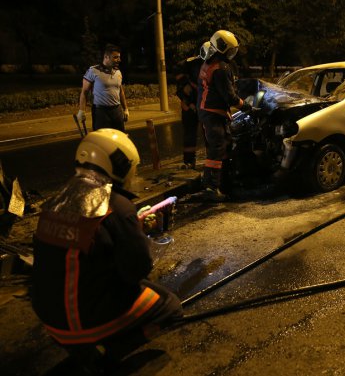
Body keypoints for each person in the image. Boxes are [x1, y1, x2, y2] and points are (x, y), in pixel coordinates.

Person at [31, 128, 183, 371]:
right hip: (79, 322)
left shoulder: (56, 200)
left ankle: (88, 345)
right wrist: (139, 235)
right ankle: (107, 353)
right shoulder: (116, 206)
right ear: (120, 166)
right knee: (171, 307)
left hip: (49, 320)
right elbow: (136, 270)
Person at [197, 30, 250, 201]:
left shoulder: (209, 62)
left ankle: (223, 182)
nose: (232, 54)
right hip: (213, 113)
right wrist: (247, 106)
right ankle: (211, 188)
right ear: (222, 48)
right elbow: (229, 96)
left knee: (224, 146)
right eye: (230, 50)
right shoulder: (221, 68)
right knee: (217, 150)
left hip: (209, 111)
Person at [77, 44, 129, 132]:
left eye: (119, 57)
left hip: (117, 110)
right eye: (116, 57)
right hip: (101, 112)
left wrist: (125, 109)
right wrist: (82, 110)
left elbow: (121, 91)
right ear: (106, 57)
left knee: (120, 137)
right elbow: (84, 92)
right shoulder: (93, 71)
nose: (119, 60)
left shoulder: (118, 72)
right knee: (103, 139)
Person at [175, 41, 209, 169]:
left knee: (202, 134)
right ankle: (190, 161)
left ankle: (190, 161)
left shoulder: (188, 65)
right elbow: (183, 88)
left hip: (195, 105)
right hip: (193, 105)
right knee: (196, 134)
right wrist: (189, 103)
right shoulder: (189, 65)